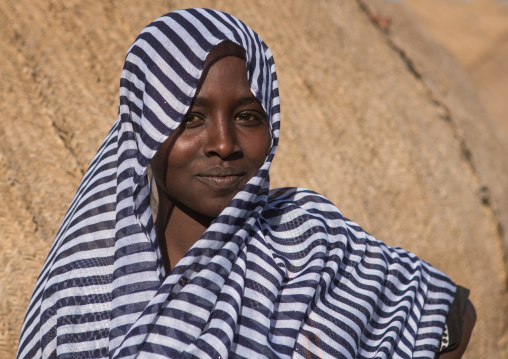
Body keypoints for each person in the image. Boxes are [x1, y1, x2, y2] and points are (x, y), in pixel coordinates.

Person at [17, 8, 474, 359]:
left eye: (247, 116)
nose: (223, 143)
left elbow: (449, 313)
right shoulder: (85, 288)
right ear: (143, 128)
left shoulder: (309, 239)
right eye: (190, 118)